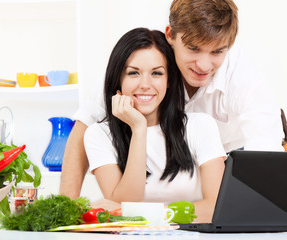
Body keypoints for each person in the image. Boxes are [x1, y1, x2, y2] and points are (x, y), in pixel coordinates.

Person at [60, 0, 283, 200]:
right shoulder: (145, 57)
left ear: (229, 46)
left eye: (217, 52)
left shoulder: (244, 78)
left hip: (228, 160)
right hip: (155, 167)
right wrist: (65, 212)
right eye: (193, 49)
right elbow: (84, 125)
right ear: (170, 36)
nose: (204, 66)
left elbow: (266, 147)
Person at [84, 28, 226, 222]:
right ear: (118, 78)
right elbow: (127, 202)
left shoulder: (200, 126)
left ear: (168, 81)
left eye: (157, 73)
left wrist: (141, 212)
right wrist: (139, 129)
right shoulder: (98, 134)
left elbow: (215, 208)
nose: (145, 84)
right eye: (133, 73)